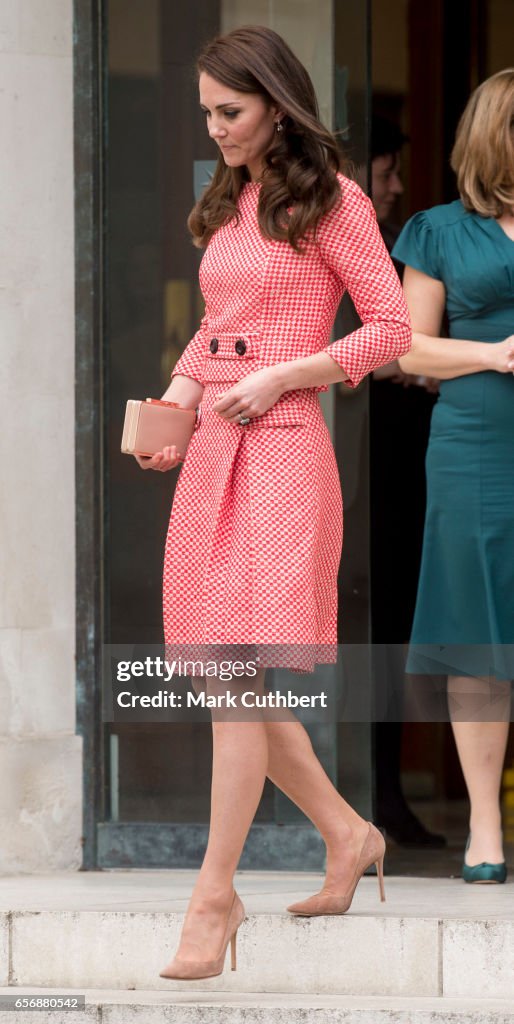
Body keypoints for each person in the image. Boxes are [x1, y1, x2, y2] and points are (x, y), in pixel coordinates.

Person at [136, 25, 410, 979]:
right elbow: (215, 328)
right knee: (231, 682)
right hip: (215, 448)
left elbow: (391, 328)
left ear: (277, 104)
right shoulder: (233, 201)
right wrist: (173, 405)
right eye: (206, 112)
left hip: (289, 456)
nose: (214, 128)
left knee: (238, 683)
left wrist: (293, 374)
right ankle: (347, 833)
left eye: (230, 111)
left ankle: (214, 896)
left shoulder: (334, 203)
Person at [392, 68, 514, 883]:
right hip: (477, 446)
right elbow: (405, 347)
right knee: (479, 638)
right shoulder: (437, 229)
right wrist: (494, 354)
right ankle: (483, 829)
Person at [368, 116, 445, 849]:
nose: (394, 187)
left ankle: (384, 796)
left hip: (400, 472)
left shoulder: (390, 257)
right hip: (357, 472)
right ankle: (369, 799)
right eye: (385, 173)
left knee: (389, 631)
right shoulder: (345, 253)